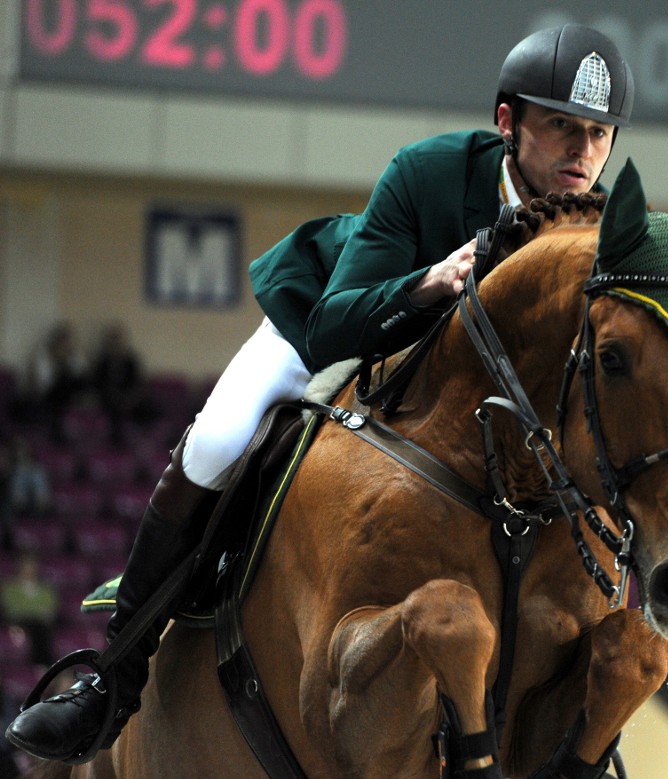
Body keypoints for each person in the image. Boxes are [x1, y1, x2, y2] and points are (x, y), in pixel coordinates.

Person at [5, 24, 635, 763]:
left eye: (597, 132)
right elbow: (339, 322)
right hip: (332, 320)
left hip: (462, 407)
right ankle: (114, 677)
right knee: (218, 437)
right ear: (507, 121)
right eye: (561, 124)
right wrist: (430, 281)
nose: (582, 151)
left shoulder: (601, 226)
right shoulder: (430, 173)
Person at [0, 552, 60, 667]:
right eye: (26, 566)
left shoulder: (46, 589)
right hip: (17, 623)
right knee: (36, 627)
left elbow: (50, 610)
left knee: (40, 627)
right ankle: (40, 665)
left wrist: (31, 610)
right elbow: (12, 609)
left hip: (42, 624)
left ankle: (42, 666)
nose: (29, 570)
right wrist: (36, 611)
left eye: (32, 566)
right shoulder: (9, 588)